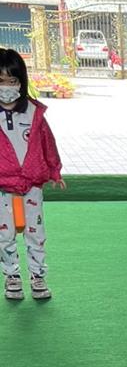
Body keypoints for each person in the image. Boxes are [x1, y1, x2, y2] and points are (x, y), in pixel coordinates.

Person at [0, 48, 64, 301]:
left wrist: (54, 170)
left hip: (31, 183)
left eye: (12, 81)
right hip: (2, 184)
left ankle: (38, 275)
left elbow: (47, 142)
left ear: (21, 82)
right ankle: (12, 276)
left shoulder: (33, 112)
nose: (7, 87)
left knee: (35, 232)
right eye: (1, 81)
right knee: (4, 234)